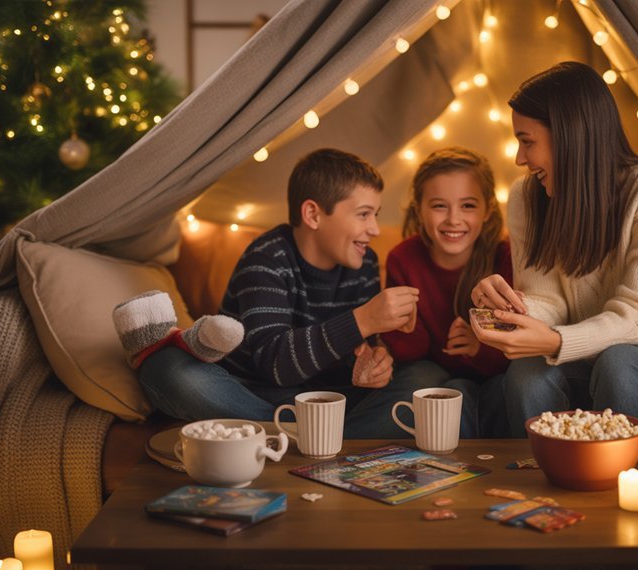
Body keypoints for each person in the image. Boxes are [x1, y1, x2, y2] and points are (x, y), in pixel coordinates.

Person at [114, 148, 462, 438]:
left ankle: (291, 433)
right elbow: (275, 366)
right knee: (169, 370)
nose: (373, 229)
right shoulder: (266, 260)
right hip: (252, 391)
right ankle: (321, 435)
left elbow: (356, 351)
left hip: (329, 400)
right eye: (363, 214)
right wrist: (363, 319)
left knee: (426, 377)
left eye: (376, 215)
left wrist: (373, 361)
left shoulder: (364, 261)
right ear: (313, 214)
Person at [468, 62, 638, 438]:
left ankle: (633, 491)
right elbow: (550, 302)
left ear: (569, 134)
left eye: (527, 141)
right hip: (580, 362)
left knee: (620, 362)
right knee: (527, 371)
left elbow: (637, 321)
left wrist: (557, 340)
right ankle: (535, 490)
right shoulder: (526, 197)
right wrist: (510, 308)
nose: (519, 158)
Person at [380, 147, 513, 437]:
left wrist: (481, 348)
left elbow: (519, 348)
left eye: (467, 206)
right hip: (432, 375)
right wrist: (405, 329)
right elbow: (409, 354)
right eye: (439, 206)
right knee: (427, 380)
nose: (453, 219)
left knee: (502, 388)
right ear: (419, 209)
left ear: (488, 209)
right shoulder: (403, 258)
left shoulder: (505, 258)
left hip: (495, 375)